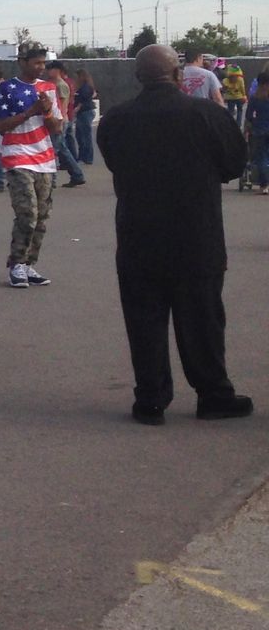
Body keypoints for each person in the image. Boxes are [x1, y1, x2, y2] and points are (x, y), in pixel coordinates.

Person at [97, 44, 251, 425]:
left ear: (138, 78)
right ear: (179, 75)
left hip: (138, 236)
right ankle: (213, 394)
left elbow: (115, 162)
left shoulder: (116, 120)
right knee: (202, 319)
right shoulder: (207, 115)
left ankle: (150, 399)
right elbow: (234, 164)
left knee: (144, 320)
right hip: (196, 235)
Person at [0, 47, 59, 288]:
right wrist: (31, 111)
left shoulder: (48, 89)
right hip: (17, 156)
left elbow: (57, 128)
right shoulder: (7, 89)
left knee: (42, 216)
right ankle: (16, 264)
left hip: (45, 159)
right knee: (27, 213)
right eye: (36, 63)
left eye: (43, 63)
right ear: (22, 62)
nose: (41, 67)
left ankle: (29, 264)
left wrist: (47, 110)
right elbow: (0, 126)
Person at [43, 60, 86, 187]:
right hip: (55, 120)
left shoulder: (61, 85)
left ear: (57, 70)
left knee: (53, 151)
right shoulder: (51, 84)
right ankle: (77, 174)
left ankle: (52, 180)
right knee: (62, 150)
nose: (48, 71)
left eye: (50, 69)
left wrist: (59, 122)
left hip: (59, 120)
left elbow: (62, 106)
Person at [245, 66, 269, 196]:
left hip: (259, 130)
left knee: (261, 158)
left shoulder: (255, 98)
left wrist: (249, 126)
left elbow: (249, 115)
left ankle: (264, 185)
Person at [70, 67, 99, 166]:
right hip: (82, 112)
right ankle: (82, 156)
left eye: (76, 76)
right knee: (79, 135)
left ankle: (88, 157)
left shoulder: (86, 87)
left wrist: (77, 108)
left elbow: (84, 98)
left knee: (86, 135)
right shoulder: (81, 87)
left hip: (85, 111)